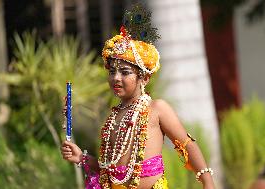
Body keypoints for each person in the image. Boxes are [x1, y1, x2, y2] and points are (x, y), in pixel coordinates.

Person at [61, 4, 215, 189]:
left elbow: (186, 144)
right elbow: (111, 170)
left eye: (125, 72)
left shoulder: (157, 109)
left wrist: (208, 182)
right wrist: (82, 158)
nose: (116, 78)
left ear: (145, 77)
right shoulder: (114, 116)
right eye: (112, 72)